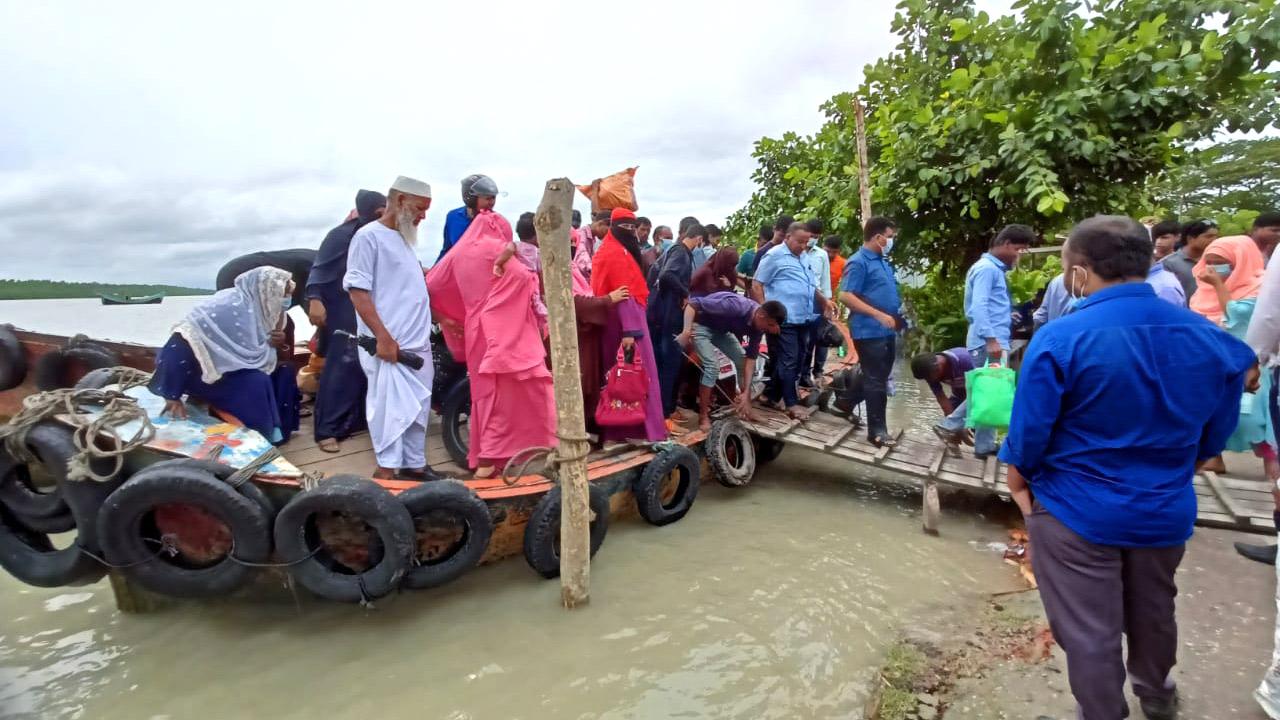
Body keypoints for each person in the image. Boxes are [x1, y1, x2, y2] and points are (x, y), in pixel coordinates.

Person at [1001, 215, 1255, 720]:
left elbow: (1029, 435)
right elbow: (1214, 437)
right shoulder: (1214, 341)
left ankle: (1102, 711)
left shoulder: (1059, 340)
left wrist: (1018, 482)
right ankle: (1157, 695)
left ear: (1079, 272)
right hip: (1164, 507)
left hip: (1075, 508)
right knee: (1155, 610)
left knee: (1088, 629)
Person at [428, 210, 556, 478]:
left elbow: (434, 284)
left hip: (477, 331)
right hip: (506, 333)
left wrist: (454, 316)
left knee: (485, 397)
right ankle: (512, 455)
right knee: (522, 394)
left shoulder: (459, 253)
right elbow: (523, 280)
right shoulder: (498, 250)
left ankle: (488, 461)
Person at [343, 176, 445, 482]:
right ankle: (385, 472)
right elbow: (358, 291)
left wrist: (441, 320)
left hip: (417, 343)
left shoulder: (403, 239)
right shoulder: (367, 237)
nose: (423, 216)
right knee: (389, 407)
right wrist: (383, 338)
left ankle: (415, 465)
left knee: (417, 406)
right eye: (420, 208)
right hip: (390, 346)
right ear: (400, 201)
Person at [151, 266, 301, 445]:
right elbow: (178, 343)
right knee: (256, 381)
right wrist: (171, 395)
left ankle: (281, 430)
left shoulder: (269, 312)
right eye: (282, 294)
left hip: (241, 364)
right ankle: (261, 435)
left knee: (285, 370)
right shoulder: (222, 308)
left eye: (287, 294)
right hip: (207, 372)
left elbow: (269, 350)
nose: (286, 300)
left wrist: (277, 343)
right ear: (265, 292)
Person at [934, 225, 1034, 456]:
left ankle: (984, 445)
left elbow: (984, 305)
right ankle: (949, 425)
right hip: (989, 341)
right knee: (987, 391)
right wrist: (991, 339)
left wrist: (1004, 315)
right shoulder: (987, 269)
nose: (1019, 255)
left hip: (992, 338)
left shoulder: (991, 269)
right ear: (1006, 244)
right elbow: (978, 307)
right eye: (1018, 249)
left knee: (989, 390)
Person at [305, 189, 386, 452]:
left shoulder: (377, 234)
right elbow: (320, 268)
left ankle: (354, 422)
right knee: (341, 368)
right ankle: (326, 430)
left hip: (364, 308)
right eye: (382, 209)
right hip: (340, 308)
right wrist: (315, 299)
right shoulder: (341, 235)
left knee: (365, 366)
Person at [1190, 233, 1275, 482]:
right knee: (1215, 414)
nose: (1214, 268)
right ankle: (1215, 458)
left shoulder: (1259, 286)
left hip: (1252, 363)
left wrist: (1219, 286)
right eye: (1210, 261)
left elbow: (1237, 320)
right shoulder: (1203, 289)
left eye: (1221, 262)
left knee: (1256, 420)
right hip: (1215, 361)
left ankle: (1274, 470)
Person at [592, 207, 667, 442]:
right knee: (631, 377)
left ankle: (626, 431)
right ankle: (635, 431)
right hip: (625, 327)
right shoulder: (613, 253)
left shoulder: (619, 250)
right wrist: (630, 331)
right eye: (625, 227)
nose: (631, 232)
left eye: (633, 228)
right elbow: (624, 294)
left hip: (624, 323)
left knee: (626, 378)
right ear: (613, 227)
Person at [753, 222, 834, 418]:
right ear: (787, 237)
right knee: (789, 361)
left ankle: (770, 395)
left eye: (806, 242)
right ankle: (791, 403)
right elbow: (756, 284)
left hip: (803, 317)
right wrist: (768, 315)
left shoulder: (803, 256)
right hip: (784, 320)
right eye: (799, 241)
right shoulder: (774, 256)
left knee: (798, 360)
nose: (803, 245)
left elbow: (809, 284)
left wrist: (824, 301)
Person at [676, 292, 786, 429]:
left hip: (721, 331)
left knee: (742, 360)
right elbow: (692, 304)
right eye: (769, 325)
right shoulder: (736, 307)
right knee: (712, 366)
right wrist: (686, 331)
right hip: (700, 325)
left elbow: (751, 360)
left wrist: (746, 395)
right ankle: (703, 416)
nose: (768, 330)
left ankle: (747, 408)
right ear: (761, 315)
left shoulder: (758, 327)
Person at [839, 217, 903, 447]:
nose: (891, 241)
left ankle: (845, 402)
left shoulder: (882, 261)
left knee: (877, 375)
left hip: (887, 328)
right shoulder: (858, 262)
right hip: (868, 330)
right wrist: (877, 314)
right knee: (876, 379)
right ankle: (877, 431)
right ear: (878, 237)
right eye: (890, 237)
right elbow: (846, 296)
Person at [649, 222, 702, 425]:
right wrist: (685, 294)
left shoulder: (671, 251)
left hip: (661, 316)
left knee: (665, 365)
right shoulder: (680, 252)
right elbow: (666, 275)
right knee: (670, 365)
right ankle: (664, 415)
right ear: (698, 239)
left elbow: (657, 276)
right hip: (670, 318)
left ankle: (665, 410)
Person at [216, 248, 317, 308]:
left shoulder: (315, 259)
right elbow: (316, 313)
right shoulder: (318, 266)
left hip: (230, 271)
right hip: (239, 276)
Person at [437, 174, 498, 263]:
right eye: (488, 198)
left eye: (494, 198)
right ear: (471, 198)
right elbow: (447, 251)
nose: (492, 202)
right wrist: (432, 273)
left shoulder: (497, 222)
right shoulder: (453, 217)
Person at [801, 219, 832, 388]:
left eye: (816, 236)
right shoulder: (796, 251)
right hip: (799, 301)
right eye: (811, 235)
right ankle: (798, 374)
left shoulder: (821, 255)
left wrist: (827, 303)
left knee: (814, 339)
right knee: (802, 341)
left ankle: (807, 374)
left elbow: (825, 281)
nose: (813, 239)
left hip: (816, 301)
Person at [1162, 219, 1219, 301]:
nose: (1214, 240)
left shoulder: (1217, 261)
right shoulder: (1168, 263)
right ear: (1190, 238)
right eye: (1208, 236)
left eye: (1216, 236)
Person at [909, 348, 974, 417]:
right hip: (959, 392)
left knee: (976, 418)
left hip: (980, 389)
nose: (928, 381)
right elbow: (941, 398)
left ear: (937, 369)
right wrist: (950, 421)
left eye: (928, 378)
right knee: (950, 421)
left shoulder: (965, 360)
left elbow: (983, 386)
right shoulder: (930, 372)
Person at [738, 224, 772, 290]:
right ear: (758, 240)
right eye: (764, 243)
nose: (767, 247)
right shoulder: (748, 255)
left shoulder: (774, 255)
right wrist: (750, 290)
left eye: (770, 245)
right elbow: (736, 276)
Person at [825, 236, 846, 305]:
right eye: (827, 251)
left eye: (834, 252)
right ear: (823, 246)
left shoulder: (843, 263)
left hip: (830, 301)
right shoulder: (814, 258)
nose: (830, 255)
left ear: (839, 250)